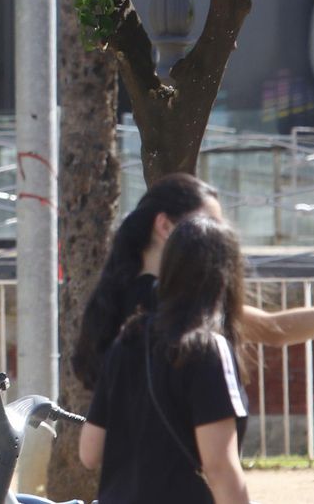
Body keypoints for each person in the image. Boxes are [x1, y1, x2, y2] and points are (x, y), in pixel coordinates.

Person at [70, 172, 314, 391]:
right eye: (208, 230)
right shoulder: (163, 303)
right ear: (165, 226)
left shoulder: (120, 296)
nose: (219, 245)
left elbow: (275, 329)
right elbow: (273, 329)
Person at [79, 216, 253, 504]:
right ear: (227, 276)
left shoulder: (127, 340)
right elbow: (220, 468)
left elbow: (89, 453)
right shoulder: (208, 349)